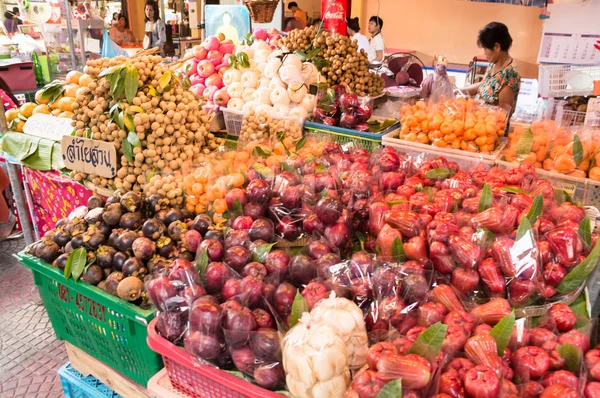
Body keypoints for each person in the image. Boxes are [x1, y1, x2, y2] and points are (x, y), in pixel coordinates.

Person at [459, 22, 521, 113]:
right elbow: (485, 85)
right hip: (480, 120)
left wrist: (478, 107)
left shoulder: (509, 74)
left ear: (496, 47)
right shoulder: (494, 63)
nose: (484, 53)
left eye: (485, 49)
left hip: (491, 125)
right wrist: (462, 91)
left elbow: (504, 113)